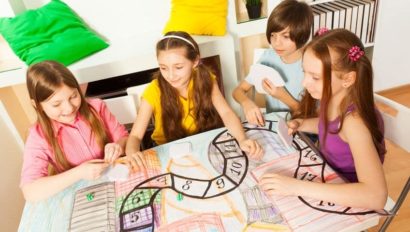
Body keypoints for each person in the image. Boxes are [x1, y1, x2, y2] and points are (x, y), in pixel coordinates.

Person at [259, 29, 388, 210]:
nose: (304, 83)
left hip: (348, 198)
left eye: (315, 77)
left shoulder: (355, 123)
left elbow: (376, 197)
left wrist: (295, 187)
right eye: (305, 73)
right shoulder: (332, 98)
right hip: (327, 176)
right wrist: (301, 124)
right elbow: (330, 125)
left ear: (348, 79)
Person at [126, 31, 263, 167]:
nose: (171, 75)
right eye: (163, 68)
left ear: (195, 61)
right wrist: (132, 153)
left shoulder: (206, 78)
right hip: (168, 150)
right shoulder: (154, 90)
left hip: (203, 142)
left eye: (178, 67)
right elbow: (135, 136)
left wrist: (242, 139)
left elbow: (226, 113)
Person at [21, 61, 129, 202]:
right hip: (82, 197)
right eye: (56, 104)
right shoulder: (38, 137)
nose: (69, 108)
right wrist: (79, 172)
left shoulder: (96, 107)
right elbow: (30, 191)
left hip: (116, 183)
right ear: (37, 105)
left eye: (73, 96)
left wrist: (118, 146)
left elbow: (124, 137)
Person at [233, 0, 313, 126]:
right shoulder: (268, 57)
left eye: (285, 37)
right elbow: (238, 91)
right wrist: (246, 103)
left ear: (302, 35)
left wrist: (281, 95)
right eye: (273, 35)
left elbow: (313, 118)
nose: (276, 43)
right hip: (274, 126)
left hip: (302, 130)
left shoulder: (311, 65)